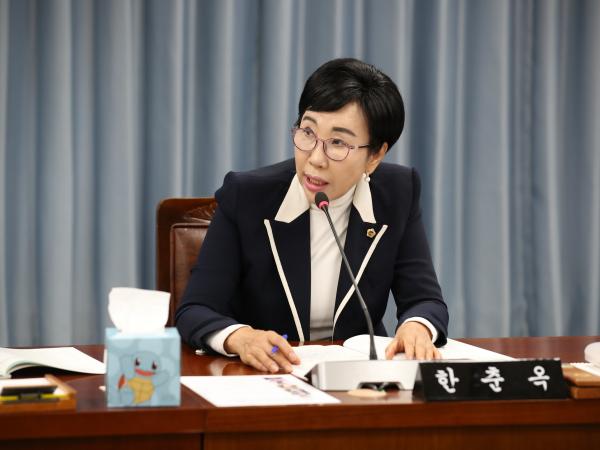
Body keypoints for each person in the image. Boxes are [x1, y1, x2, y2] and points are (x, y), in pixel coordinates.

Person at [176, 58, 448, 373]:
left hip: (358, 382)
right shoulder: (247, 196)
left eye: (338, 143)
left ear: (375, 155)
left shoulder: (398, 193)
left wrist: (417, 326)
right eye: (308, 132)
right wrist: (241, 337)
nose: (315, 158)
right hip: (266, 376)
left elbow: (425, 300)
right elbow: (195, 309)